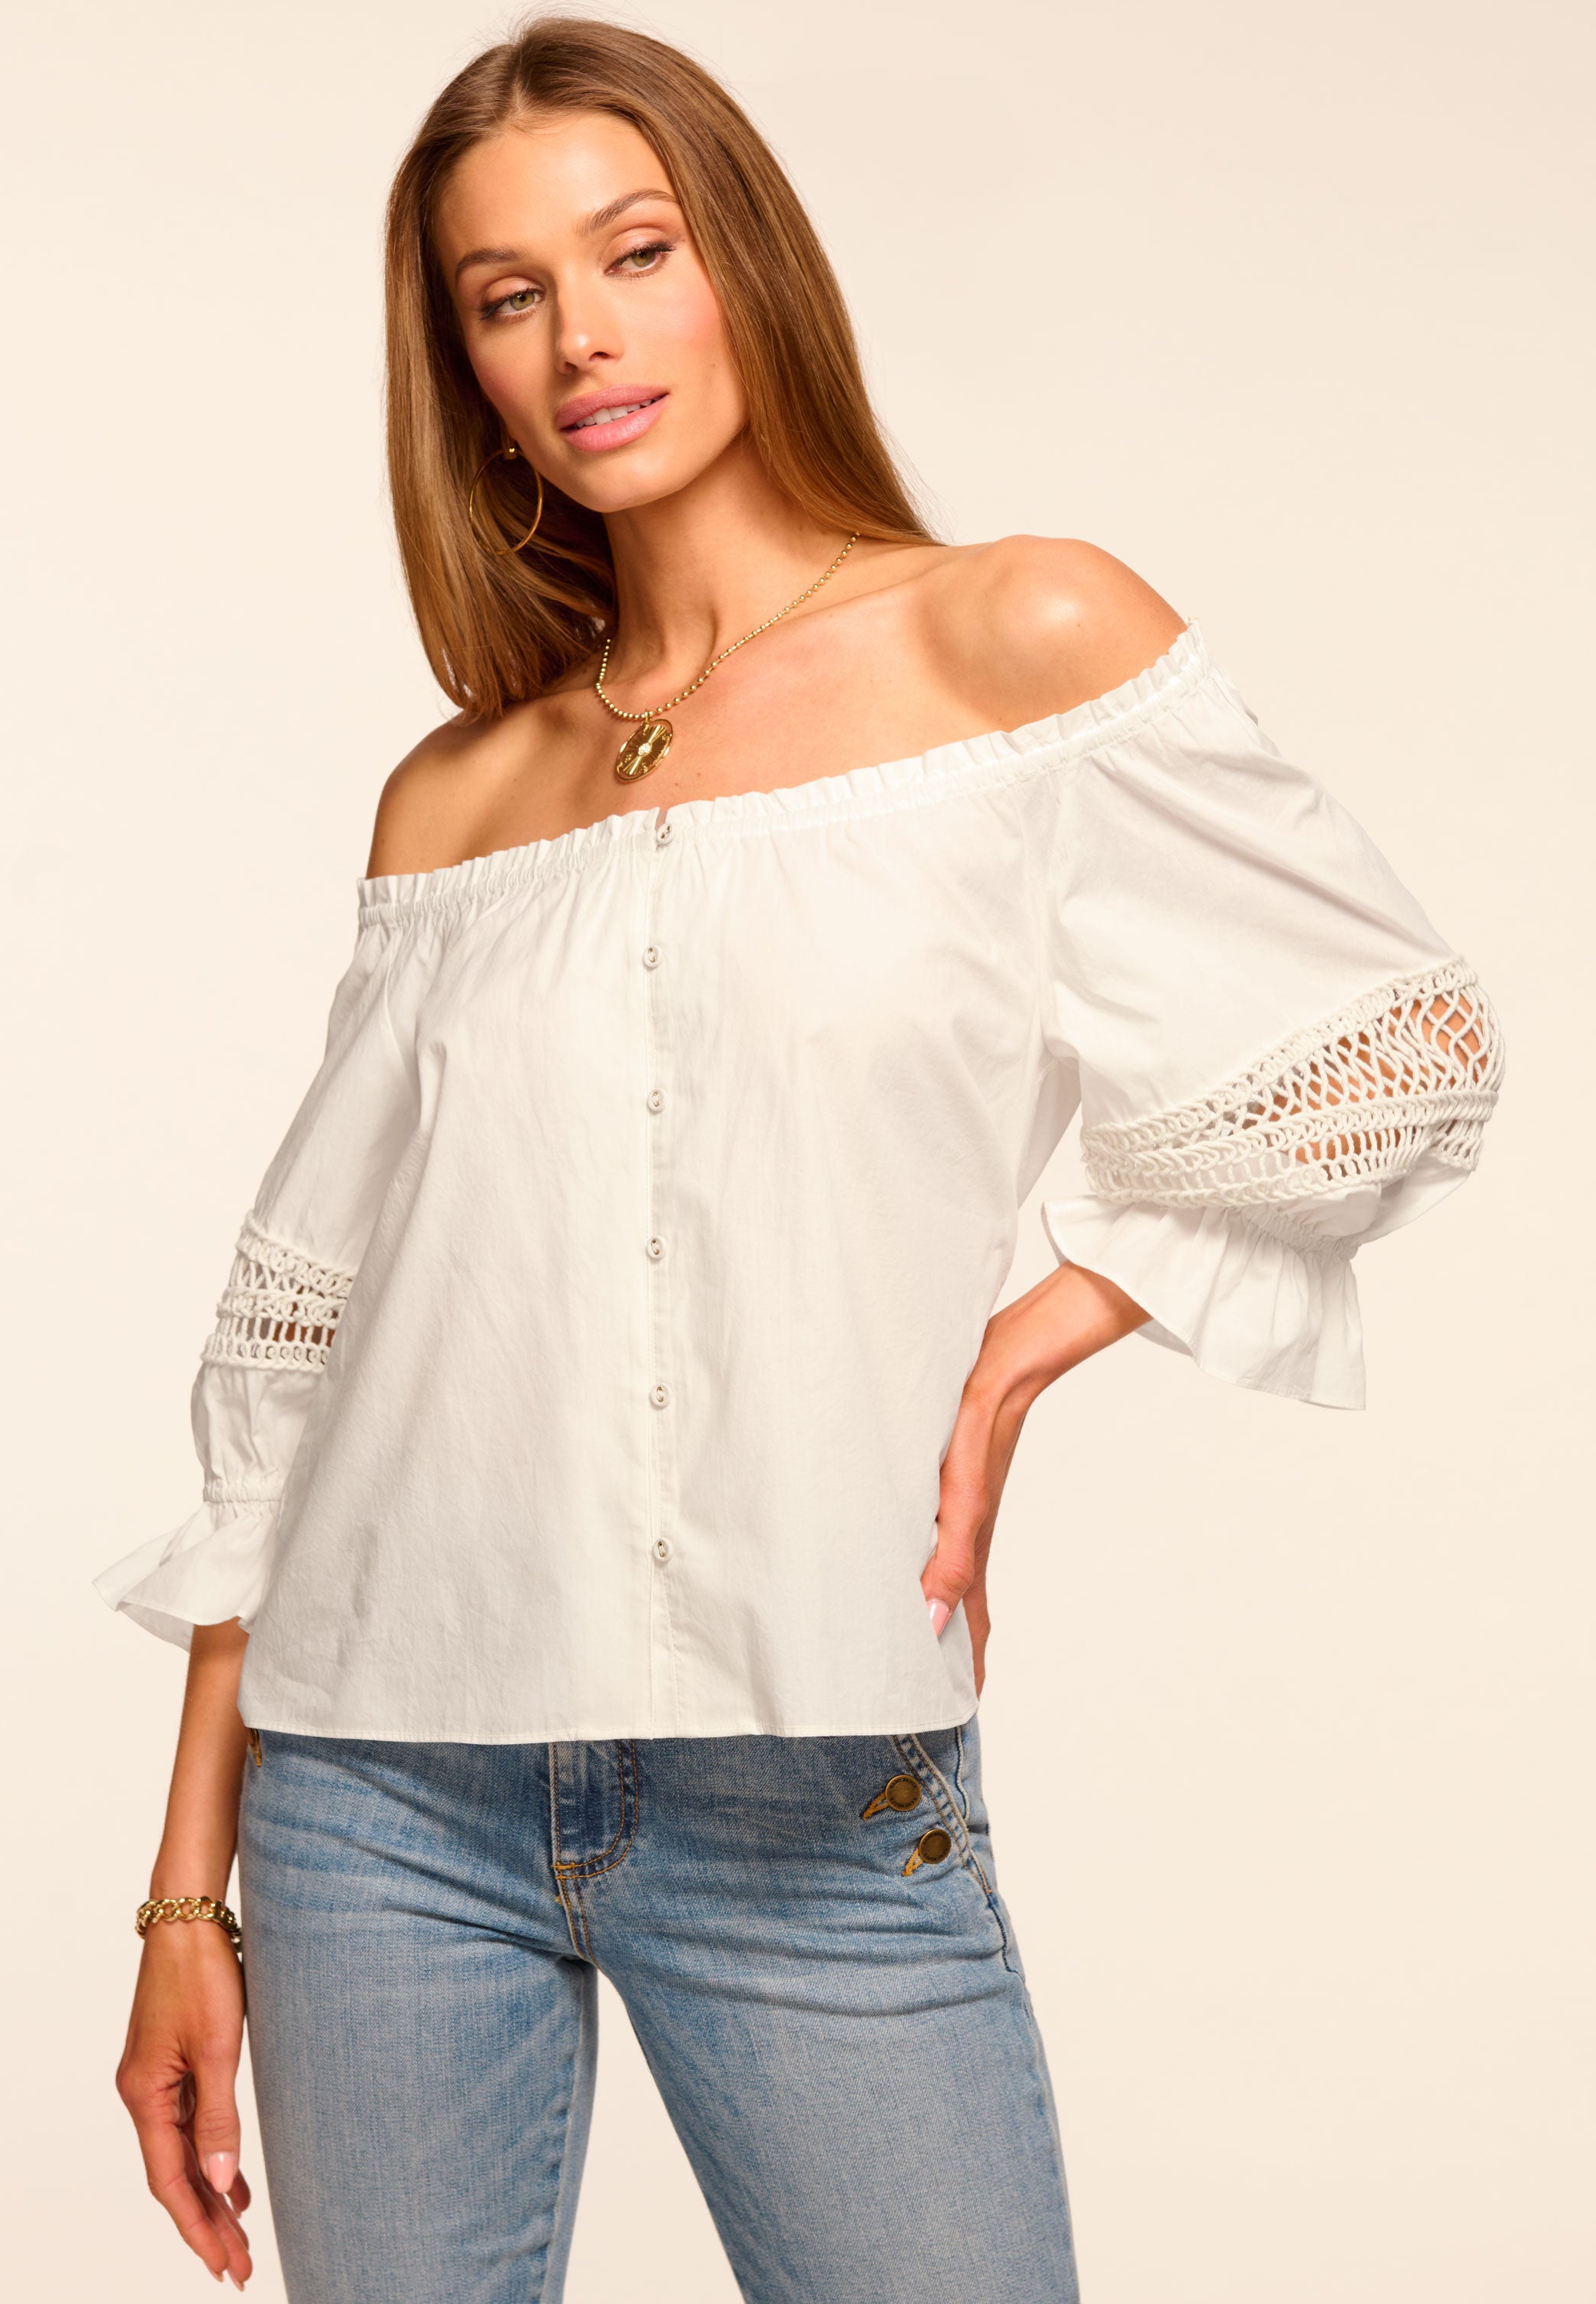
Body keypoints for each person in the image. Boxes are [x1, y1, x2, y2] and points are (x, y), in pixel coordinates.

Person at [97, 19, 1505, 2302]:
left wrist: (1044, 1328)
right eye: (507, 295)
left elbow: (1398, 1040)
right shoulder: (457, 799)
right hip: (377, 1800)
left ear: (743, 260)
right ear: (465, 368)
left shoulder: (1013, 640)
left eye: (634, 252)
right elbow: (298, 1368)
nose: (583, 336)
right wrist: (189, 1892)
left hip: (814, 1786)